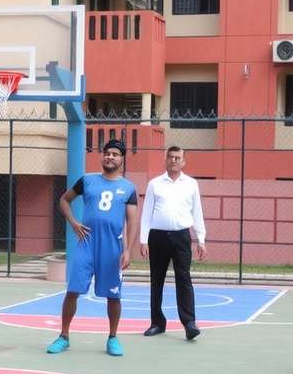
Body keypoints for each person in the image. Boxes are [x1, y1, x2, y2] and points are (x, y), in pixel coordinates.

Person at [46, 139, 138, 357]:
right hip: (87, 244)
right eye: (107, 153)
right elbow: (64, 200)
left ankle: (113, 337)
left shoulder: (128, 188)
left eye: (115, 154)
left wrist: (128, 250)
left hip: (112, 248)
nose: (110, 157)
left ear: (122, 159)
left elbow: (132, 221)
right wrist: (74, 223)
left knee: (114, 295)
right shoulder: (87, 180)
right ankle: (64, 336)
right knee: (73, 291)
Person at [139, 146, 206, 340]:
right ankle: (157, 323)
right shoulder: (154, 184)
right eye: (170, 157)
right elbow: (147, 213)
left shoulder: (191, 184)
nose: (174, 160)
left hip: (181, 237)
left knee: (184, 278)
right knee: (156, 280)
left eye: (178, 157)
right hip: (157, 237)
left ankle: (189, 323)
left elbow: (197, 212)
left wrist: (201, 239)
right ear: (165, 160)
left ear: (183, 161)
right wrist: (143, 240)